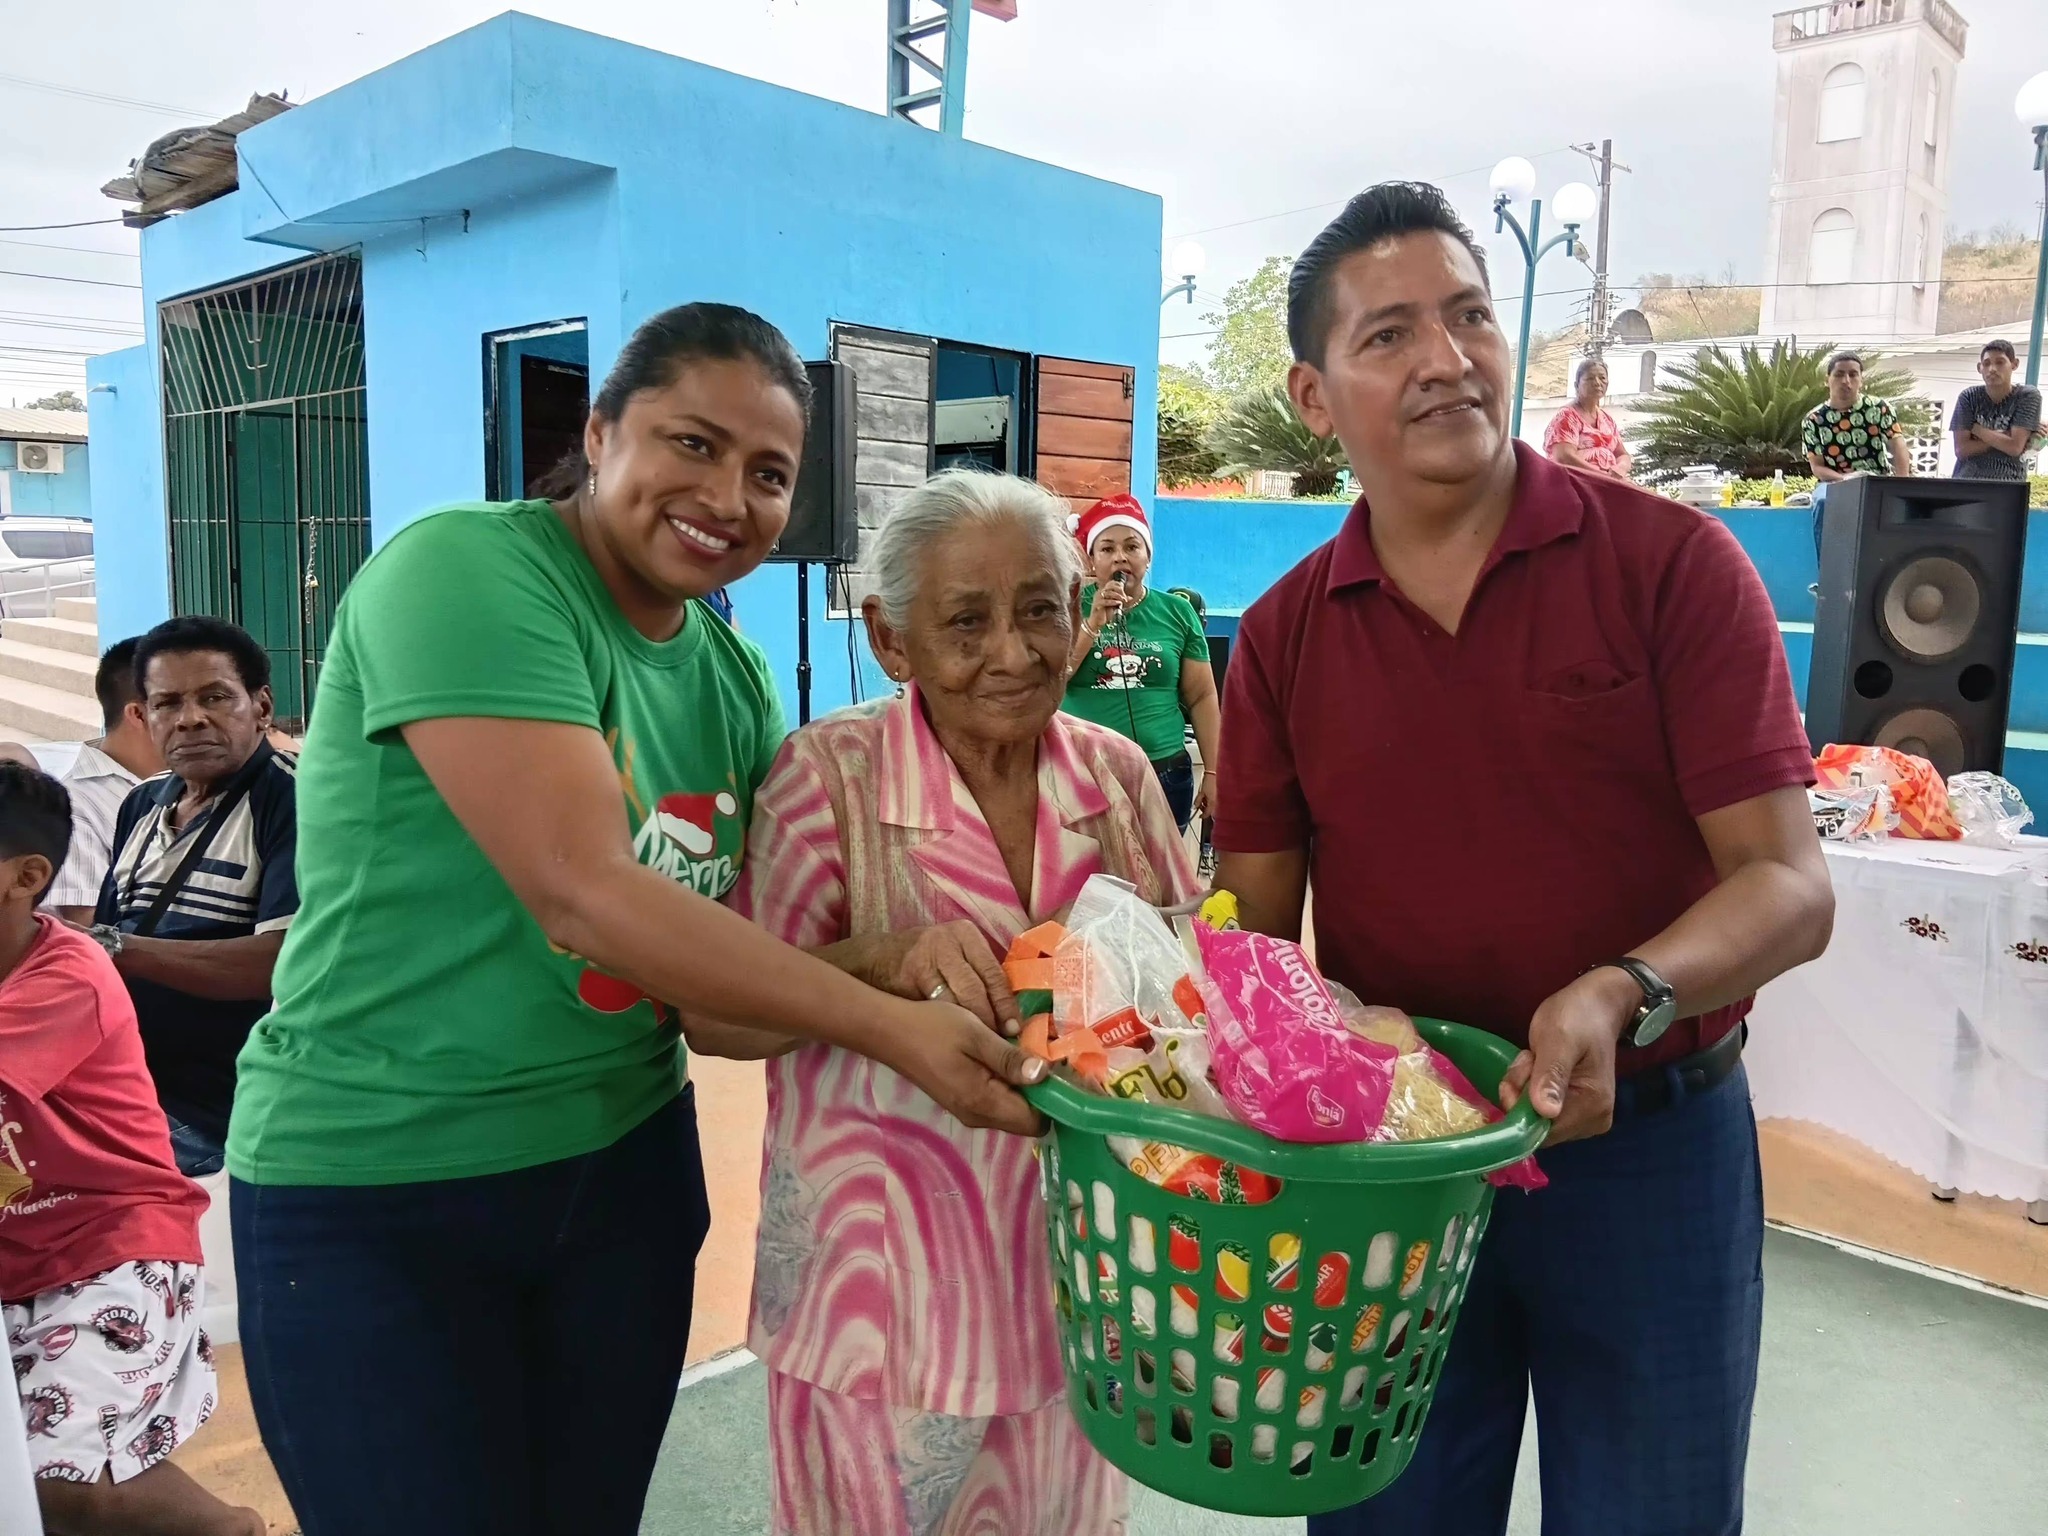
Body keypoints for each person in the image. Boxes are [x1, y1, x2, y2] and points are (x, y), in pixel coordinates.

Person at [222, 304, 1046, 1536]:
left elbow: (731, 989)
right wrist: (890, 1026)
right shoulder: (466, 571)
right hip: (383, 1185)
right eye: (692, 444)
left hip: (620, 1182)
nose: (727, 497)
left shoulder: (731, 679)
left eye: (768, 474)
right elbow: (586, 890)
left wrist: (889, 960)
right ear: (601, 433)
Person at [1215, 182, 1835, 1536]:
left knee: (1652, 1514)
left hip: (1648, 1157)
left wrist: (1625, 988)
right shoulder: (1282, 637)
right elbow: (1253, 934)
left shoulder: (1672, 567)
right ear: (1313, 399)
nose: (1446, 359)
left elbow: (1789, 885)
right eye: (1388, 335)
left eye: (1470, 316)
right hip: (1394, 1169)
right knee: (1384, 1512)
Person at [705, 469, 1198, 1536]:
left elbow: (1193, 996)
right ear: (891, 641)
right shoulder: (828, 779)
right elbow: (721, 1014)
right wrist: (877, 959)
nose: (1012, 654)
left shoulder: (1115, 776)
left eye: (1039, 611)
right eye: (966, 622)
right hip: (877, 1314)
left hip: (1082, 1296)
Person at [0, 762, 261, 1536]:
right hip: (21, 1258)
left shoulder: (66, 975)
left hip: (112, 1252)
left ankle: (232, 1531)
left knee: (56, 1480)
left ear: (26, 877)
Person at [86, 618, 298, 1181]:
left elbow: (283, 963)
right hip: (132, 1092)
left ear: (261, 706)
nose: (190, 719)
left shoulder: (294, 798)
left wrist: (111, 947)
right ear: (144, 716)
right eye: (167, 703)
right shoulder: (142, 804)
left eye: (214, 697)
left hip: (226, 1116)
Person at [1060, 493, 1220, 831]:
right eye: (1107, 549)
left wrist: (1214, 771)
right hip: (1083, 772)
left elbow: (1202, 696)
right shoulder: (1067, 606)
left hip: (1163, 774)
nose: (1120, 557)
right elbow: (1056, 678)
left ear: (1148, 557)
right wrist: (1092, 624)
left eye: (1132, 547)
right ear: (1091, 560)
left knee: (1161, 866)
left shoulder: (1178, 612)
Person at [0, 638, 166, 924]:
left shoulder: (190, 782)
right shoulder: (78, 806)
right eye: (175, 702)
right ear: (139, 714)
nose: (197, 718)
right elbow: (87, 927)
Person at [1804, 349, 1911, 561]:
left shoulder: (1879, 408)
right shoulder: (1814, 419)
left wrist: (1902, 483)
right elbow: (1817, 467)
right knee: (1823, 503)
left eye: (1853, 374)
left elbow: (1898, 445)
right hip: (1835, 483)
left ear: (1861, 380)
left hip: (1876, 480)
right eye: (1839, 374)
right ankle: (1828, 569)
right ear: (1827, 380)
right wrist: (1846, 479)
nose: (1846, 381)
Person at [1950, 338, 2042, 482]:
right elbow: (1961, 450)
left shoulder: (2027, 396)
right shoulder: (1969, 397)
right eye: (1986, 364)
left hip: (2008, 482)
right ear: (1979, 368)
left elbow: (2014, 447)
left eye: (2000, 362)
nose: (1992, 369)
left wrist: (1978, 430)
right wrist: (2004, 435)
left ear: (2014, 364)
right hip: (1966, 481)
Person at [1542, 359, 1633, 480]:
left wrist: (1621, 468)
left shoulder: (1607, 420)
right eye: (1590, 378)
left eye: (1602, 378)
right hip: (1575, 482)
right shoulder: (1567, 416)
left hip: (1606, 483)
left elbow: (1622, 454)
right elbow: (1564, 457)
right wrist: (1602, 476)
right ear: (1577, 385)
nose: (1597, 383)